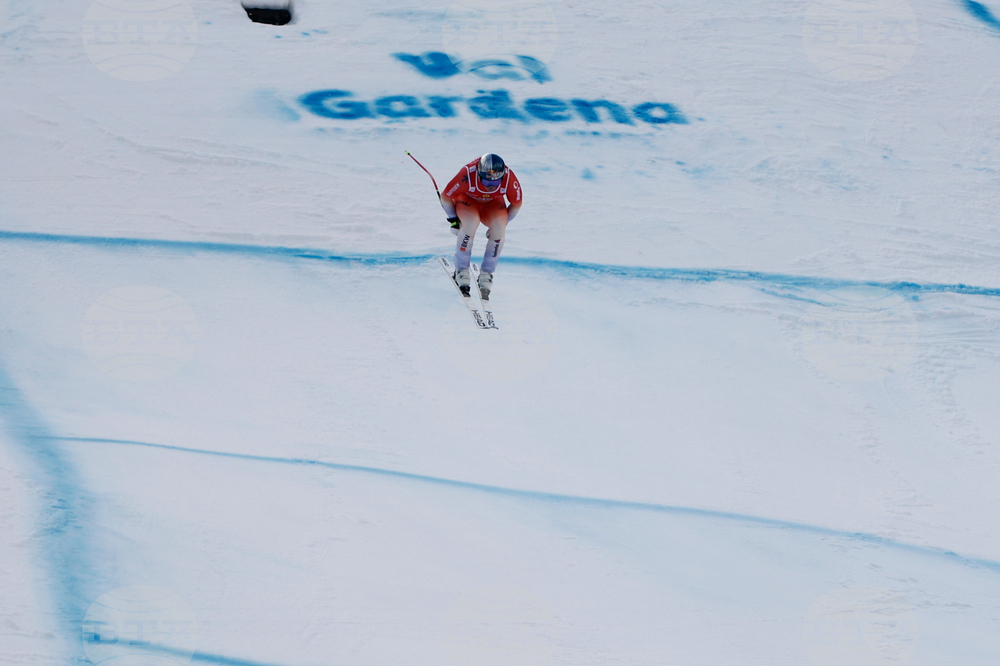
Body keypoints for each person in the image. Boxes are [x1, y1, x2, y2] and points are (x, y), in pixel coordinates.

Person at [439, 153, 522, 298]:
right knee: (470, 224)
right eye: (486, 181)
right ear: (478, 174)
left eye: (496, 183)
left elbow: (516, 204)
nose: (491, 186)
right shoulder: (467, 174)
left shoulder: (509, 177)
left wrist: (502, 225)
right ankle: (461, 271)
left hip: (493, 205)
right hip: (468, 201)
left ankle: (486, 274)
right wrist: (453, 220)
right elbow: (446, 197)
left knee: (499, 229)